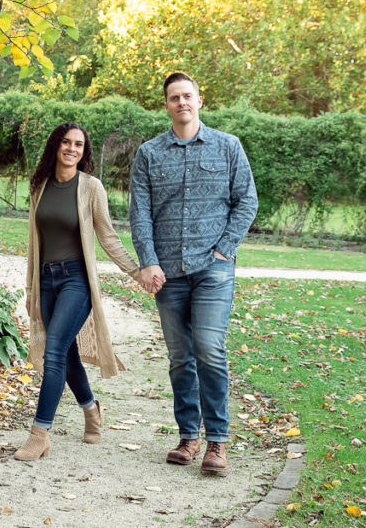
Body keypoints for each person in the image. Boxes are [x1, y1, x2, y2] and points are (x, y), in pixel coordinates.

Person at [129, 72, 258, 474]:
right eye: (174, 97)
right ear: (166, 104)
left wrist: (224, 248)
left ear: (200, 100)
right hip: (167, 272)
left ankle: (217, 442)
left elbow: (247, 201)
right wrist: (148, 261)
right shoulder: (149, 153)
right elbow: (140, 213)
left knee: (209, 349)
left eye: (187, 96)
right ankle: (188, 436)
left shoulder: (228, 146)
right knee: (180, 356)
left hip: (213, 269)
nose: (181, 102)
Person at [14, 122, 147, 461]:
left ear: (84, 152)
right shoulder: (39, 185)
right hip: (46, 280)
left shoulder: (91, 187)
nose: (72, 149)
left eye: (79, 145)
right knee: (66, 353)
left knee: (54, 350)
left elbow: (108, 236)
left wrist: (136, 271)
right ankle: (91, 409)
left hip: (76, 280)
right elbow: (34, 242)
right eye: (66, 142)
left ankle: (39, 434)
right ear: (55, 146)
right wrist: (31, 288)